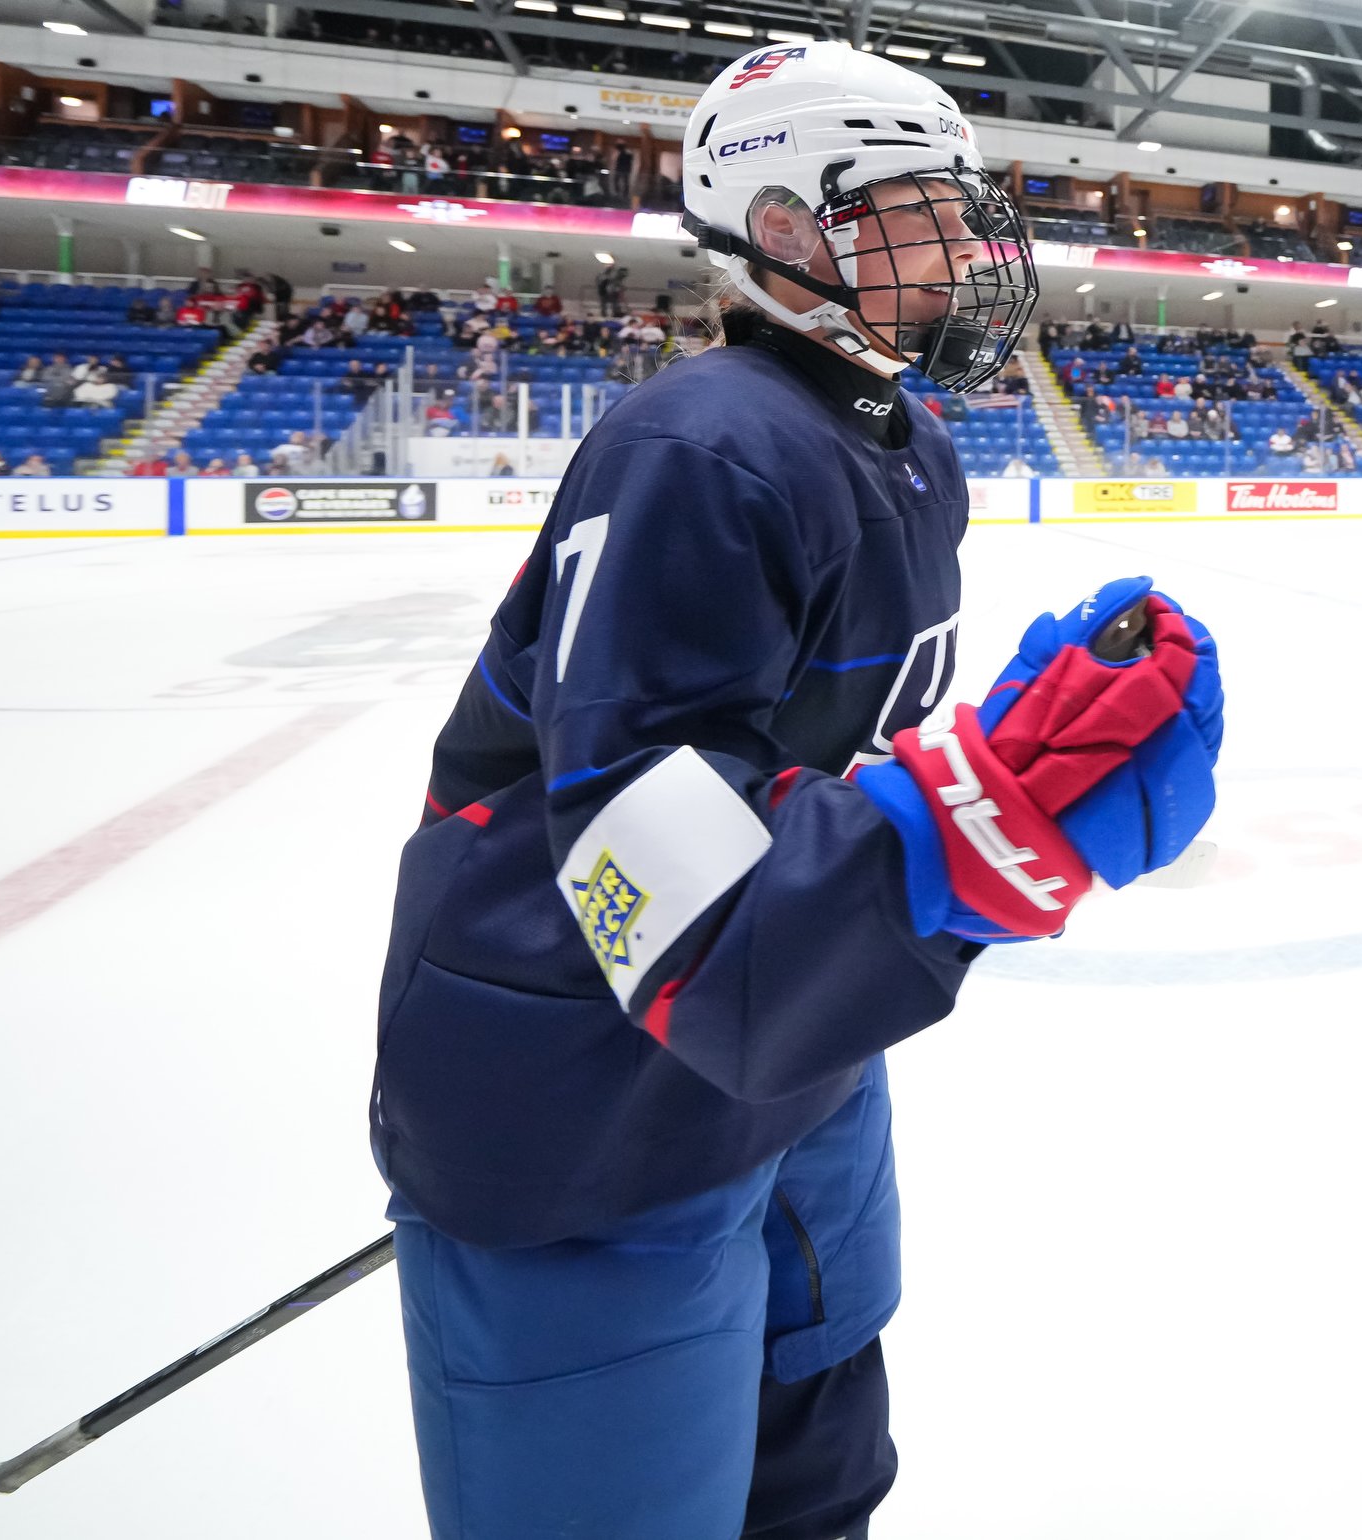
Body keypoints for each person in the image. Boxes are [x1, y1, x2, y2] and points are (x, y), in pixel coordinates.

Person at [370, 42, 1224, 1540]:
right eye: (916, 216)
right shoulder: (705, 444)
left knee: (816, 1482)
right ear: (779, 231)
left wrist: (944, 797)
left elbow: (813, 757)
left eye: (962, 215)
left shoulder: (906, 444)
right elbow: (635, 834)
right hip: (586, 1099)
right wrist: (952, 839)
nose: (964, 252)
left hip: (792, 1061)